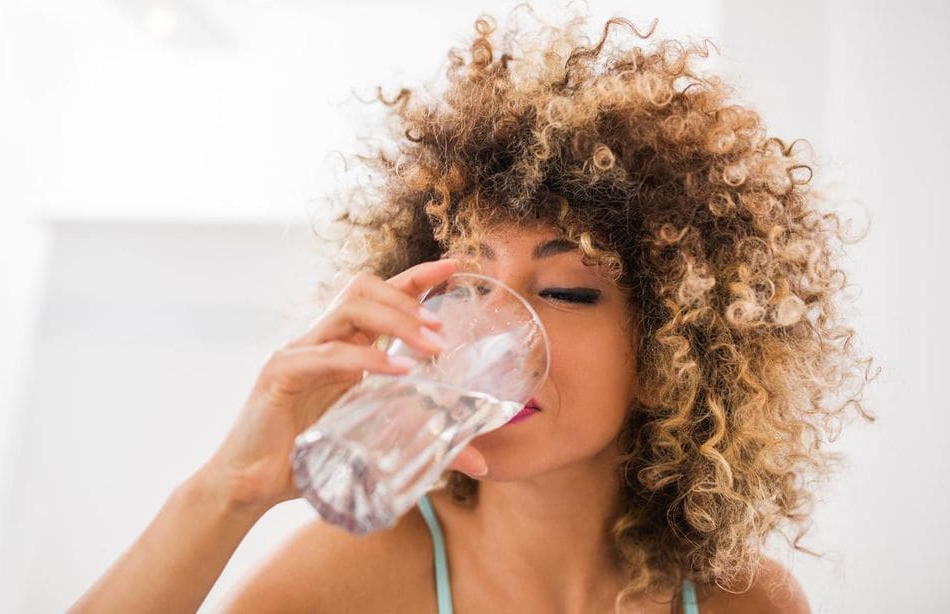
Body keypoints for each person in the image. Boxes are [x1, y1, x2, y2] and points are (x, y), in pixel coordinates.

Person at [70, 7, 876, 613]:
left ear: (672, 359)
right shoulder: (351, 582)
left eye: (565, 291)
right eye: (469, 283)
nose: (491, 328)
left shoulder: (747, 600)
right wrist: (229, 489)